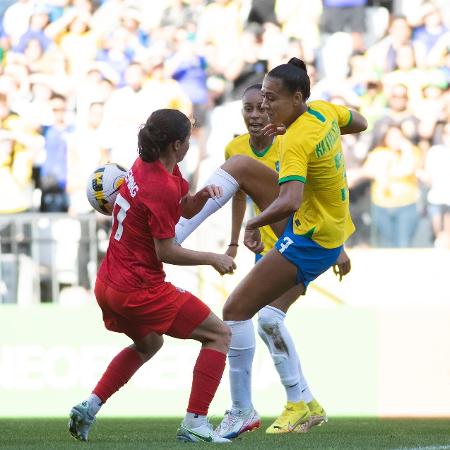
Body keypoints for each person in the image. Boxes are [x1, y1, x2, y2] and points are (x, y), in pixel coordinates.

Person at [175, 58, 368, 436]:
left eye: (270, 99)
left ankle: (244, 409)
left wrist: (253, 222)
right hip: (325, 230)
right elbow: (360, 122)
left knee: (235, 310)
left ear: (297, 98)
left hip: (308, 237)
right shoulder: (323, 111)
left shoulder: (294, 140)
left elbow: (290, 200)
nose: (263, 107)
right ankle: (302, 401)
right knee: (242, 167)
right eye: (258, 100)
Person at [68, 108, 237, 444]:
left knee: (149, 343)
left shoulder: (143, 166)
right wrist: (213, 258)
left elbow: (180, 207)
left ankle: (89, 406)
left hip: (109, 283)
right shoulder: (158, 184)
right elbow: (167, 252)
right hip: (139, 287)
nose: (191, 144)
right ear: (176, 144)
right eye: (188, 139)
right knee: (219, 335)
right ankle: (195, 422)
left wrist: (200, 197)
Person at [217, 83, 326, 436]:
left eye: (260, 107)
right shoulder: (234, 149)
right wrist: (235, 241)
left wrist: (336, 245)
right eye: (247, 109)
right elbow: (237, 196)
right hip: (266, 253)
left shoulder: (289, 141)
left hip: (301, 243)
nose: (254, 115)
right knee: (262, 320)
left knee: (268, 319)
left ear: (270, 108)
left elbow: (312, 192)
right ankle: (306, 402)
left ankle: (296, 403)